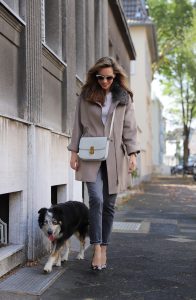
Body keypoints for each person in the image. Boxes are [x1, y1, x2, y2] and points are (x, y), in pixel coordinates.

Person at [68, 56, 140, 271]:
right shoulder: (87, 94)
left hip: (115, 157)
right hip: (90, 154)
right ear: (95, 76)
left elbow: (130, 127)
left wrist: (133, 153)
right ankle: (96, 247)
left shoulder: (124, 97)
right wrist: (73, 152)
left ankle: (105, 247)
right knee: (96, 199)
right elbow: (77, 124)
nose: (105, 82)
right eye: (101, 77)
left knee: (109, 205)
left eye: (109, 77)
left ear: (115, 76)